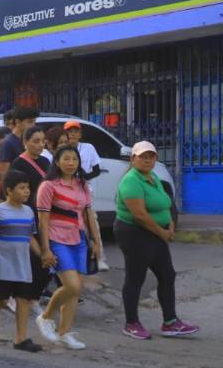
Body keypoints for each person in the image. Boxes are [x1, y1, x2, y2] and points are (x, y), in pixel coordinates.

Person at [114, 141, 199, 340]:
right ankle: (131, 323)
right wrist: (162, 233)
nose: (147, 160)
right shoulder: (131, 181)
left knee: (167, 275)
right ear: (133, 158)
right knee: (136, 278)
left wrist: (169, 225)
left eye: (151, 156)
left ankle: (170, 322)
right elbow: (140, 215)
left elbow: (165, 204)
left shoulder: (153, 177)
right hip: (134, 232)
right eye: (142, 156)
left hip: (155, 232)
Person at [0, 171, 49, 352]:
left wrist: (42, 255)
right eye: (21, 188)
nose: (27, 191)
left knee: (23, 299)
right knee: (1, 299)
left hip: (22, 264)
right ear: (8, 190)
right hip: (3, 264)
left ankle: (21, 338)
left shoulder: (29, 212)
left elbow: (29, 236)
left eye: (28, 188)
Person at [34, 145, 100, 350]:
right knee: (72, 285)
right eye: (66, 159)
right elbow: (43, 220)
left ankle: (63, 333)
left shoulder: (82, 185)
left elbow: (88, 214)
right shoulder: (48, 186)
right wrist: (45, 249)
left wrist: (96, 242)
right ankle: (45, 317)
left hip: (79, 239)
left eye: (75, 159)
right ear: (57, 162)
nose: (71, 163)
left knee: (74, 291)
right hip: (57, 238)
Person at [65, 121, 108, 269]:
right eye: (70, 131)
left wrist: (83, 178)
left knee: (91, 223)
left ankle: (99, 258)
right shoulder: (62, 150)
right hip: (65, 191)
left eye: (76, 131)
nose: (73, 134)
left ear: (80, 134)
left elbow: (96, 170)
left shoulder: (88, 148)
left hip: (84, 191)